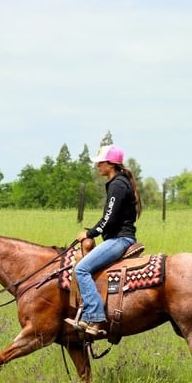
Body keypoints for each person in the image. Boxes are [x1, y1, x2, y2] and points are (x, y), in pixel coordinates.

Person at [72, 144, 142, 337]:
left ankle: (94, 315)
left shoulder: (118, 184)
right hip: (118, 237)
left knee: (81, 269)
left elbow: (109, 218)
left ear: (110, 164)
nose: (98, 166)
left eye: (100, 162)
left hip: (120, 239)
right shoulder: (120, 182)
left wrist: (90, 234)